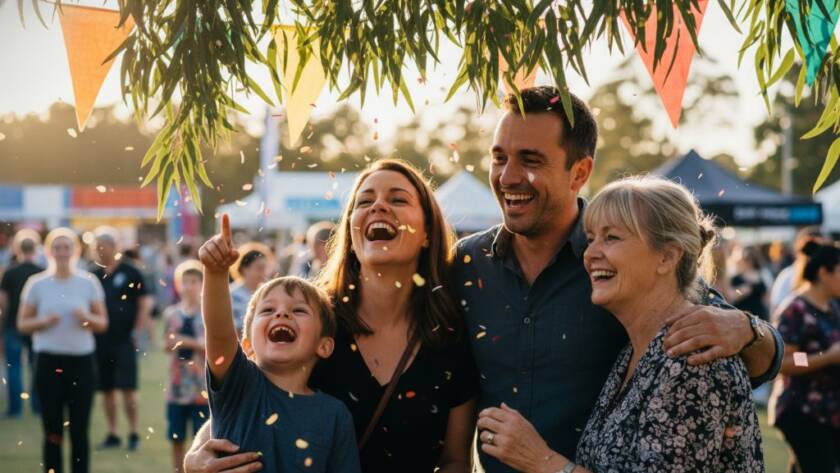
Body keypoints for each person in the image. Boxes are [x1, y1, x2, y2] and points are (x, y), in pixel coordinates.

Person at [456, 86, 782, 472]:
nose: (508, 176)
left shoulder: (627, 257)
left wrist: (747, 328)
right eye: (498, 158)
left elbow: (743, 350)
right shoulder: (465, 263)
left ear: (580, 171)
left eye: (530, 160)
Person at [185, 160, 479, 473]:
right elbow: (243, 394)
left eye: (397, 199)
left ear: (427, 232)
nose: (378, 206)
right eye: (364, 201)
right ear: (351, 232)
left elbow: (455, 461)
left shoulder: (450, 336)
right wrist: (196, 458)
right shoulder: (312, 319)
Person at [556, 176, 762, 471]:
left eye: (611, 237)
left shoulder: (693, 360)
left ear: (667, 256)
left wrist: (545, 463)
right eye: (590, 239)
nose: (590, 254)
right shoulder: (638, 349)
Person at [198, 215, 360, 472]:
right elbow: (218, 334)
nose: (281, 314)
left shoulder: (335, 415)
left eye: (298, 310)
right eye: (267, 310)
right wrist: (216, 273)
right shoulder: (239, 386)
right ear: (248, 345)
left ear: (324, 345)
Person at [17, 227, 108, 473]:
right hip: (48, 362)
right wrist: (43, 322)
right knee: (52, 430)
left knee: (79, 429)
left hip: (81, 363)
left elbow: (102, 323)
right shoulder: (36, 284)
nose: (62, 252)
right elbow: (22, 324)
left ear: (76, 250)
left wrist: (85, 318)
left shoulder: (88, 282)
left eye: (67, 247)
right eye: (56, 247)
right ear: (48, 251)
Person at [769, 240, 840, 473]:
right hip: (802, 411)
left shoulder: (833, 307)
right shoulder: (796, 309)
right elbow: (786, 361)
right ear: (823, 272)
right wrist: (824, 357)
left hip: (828, 412)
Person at [91, 226, 154, 451]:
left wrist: (137, 331)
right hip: (100, 341)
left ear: (114, 247)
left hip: (125, 340)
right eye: (95, 246)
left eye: (102, 246)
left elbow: (145, 303)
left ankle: (134, 432)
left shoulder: (131, 271)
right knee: (107, 389)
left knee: (128, 389)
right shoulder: (93, 274)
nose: (98, 250)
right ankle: (113, 433)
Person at [163, 259, 210, 473]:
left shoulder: (207, 313)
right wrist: (176, 342)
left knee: (200, 439)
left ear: (202, 284)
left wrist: (183, 340)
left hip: (201, 386)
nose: (189, 286)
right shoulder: (171, 314)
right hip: (177, 384)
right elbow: (166, 344)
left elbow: (208, 347)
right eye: (185, 282)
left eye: (193, 281)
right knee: (176, 436)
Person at [0, 229, 44, 417]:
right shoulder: (41, 273)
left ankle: (15, 408)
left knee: (14, 367)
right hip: (36, 326)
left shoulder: (10, 272)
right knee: (37, 367)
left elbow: (3, 303)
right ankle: (37, 406)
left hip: (13, 324)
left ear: (17, 248)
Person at [770, 227, 824, 316]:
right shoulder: (787, 276)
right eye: (809, 249)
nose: (814, 255)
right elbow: (776, 311)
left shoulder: (827, 277)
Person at [229, 242, 273, 335]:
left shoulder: (269, 292)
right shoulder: (232, 294)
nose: (264, 273)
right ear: (245, 269)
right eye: (259, 268)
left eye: (265, 268)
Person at [730, 245, 770, 321]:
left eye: (750, 258)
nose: (748, 262)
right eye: (745, 259)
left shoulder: (762, 275)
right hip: (741, 315)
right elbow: (731, 295)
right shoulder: (736, 278)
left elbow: (767, 296)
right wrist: (740, 292)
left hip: (759, 316)